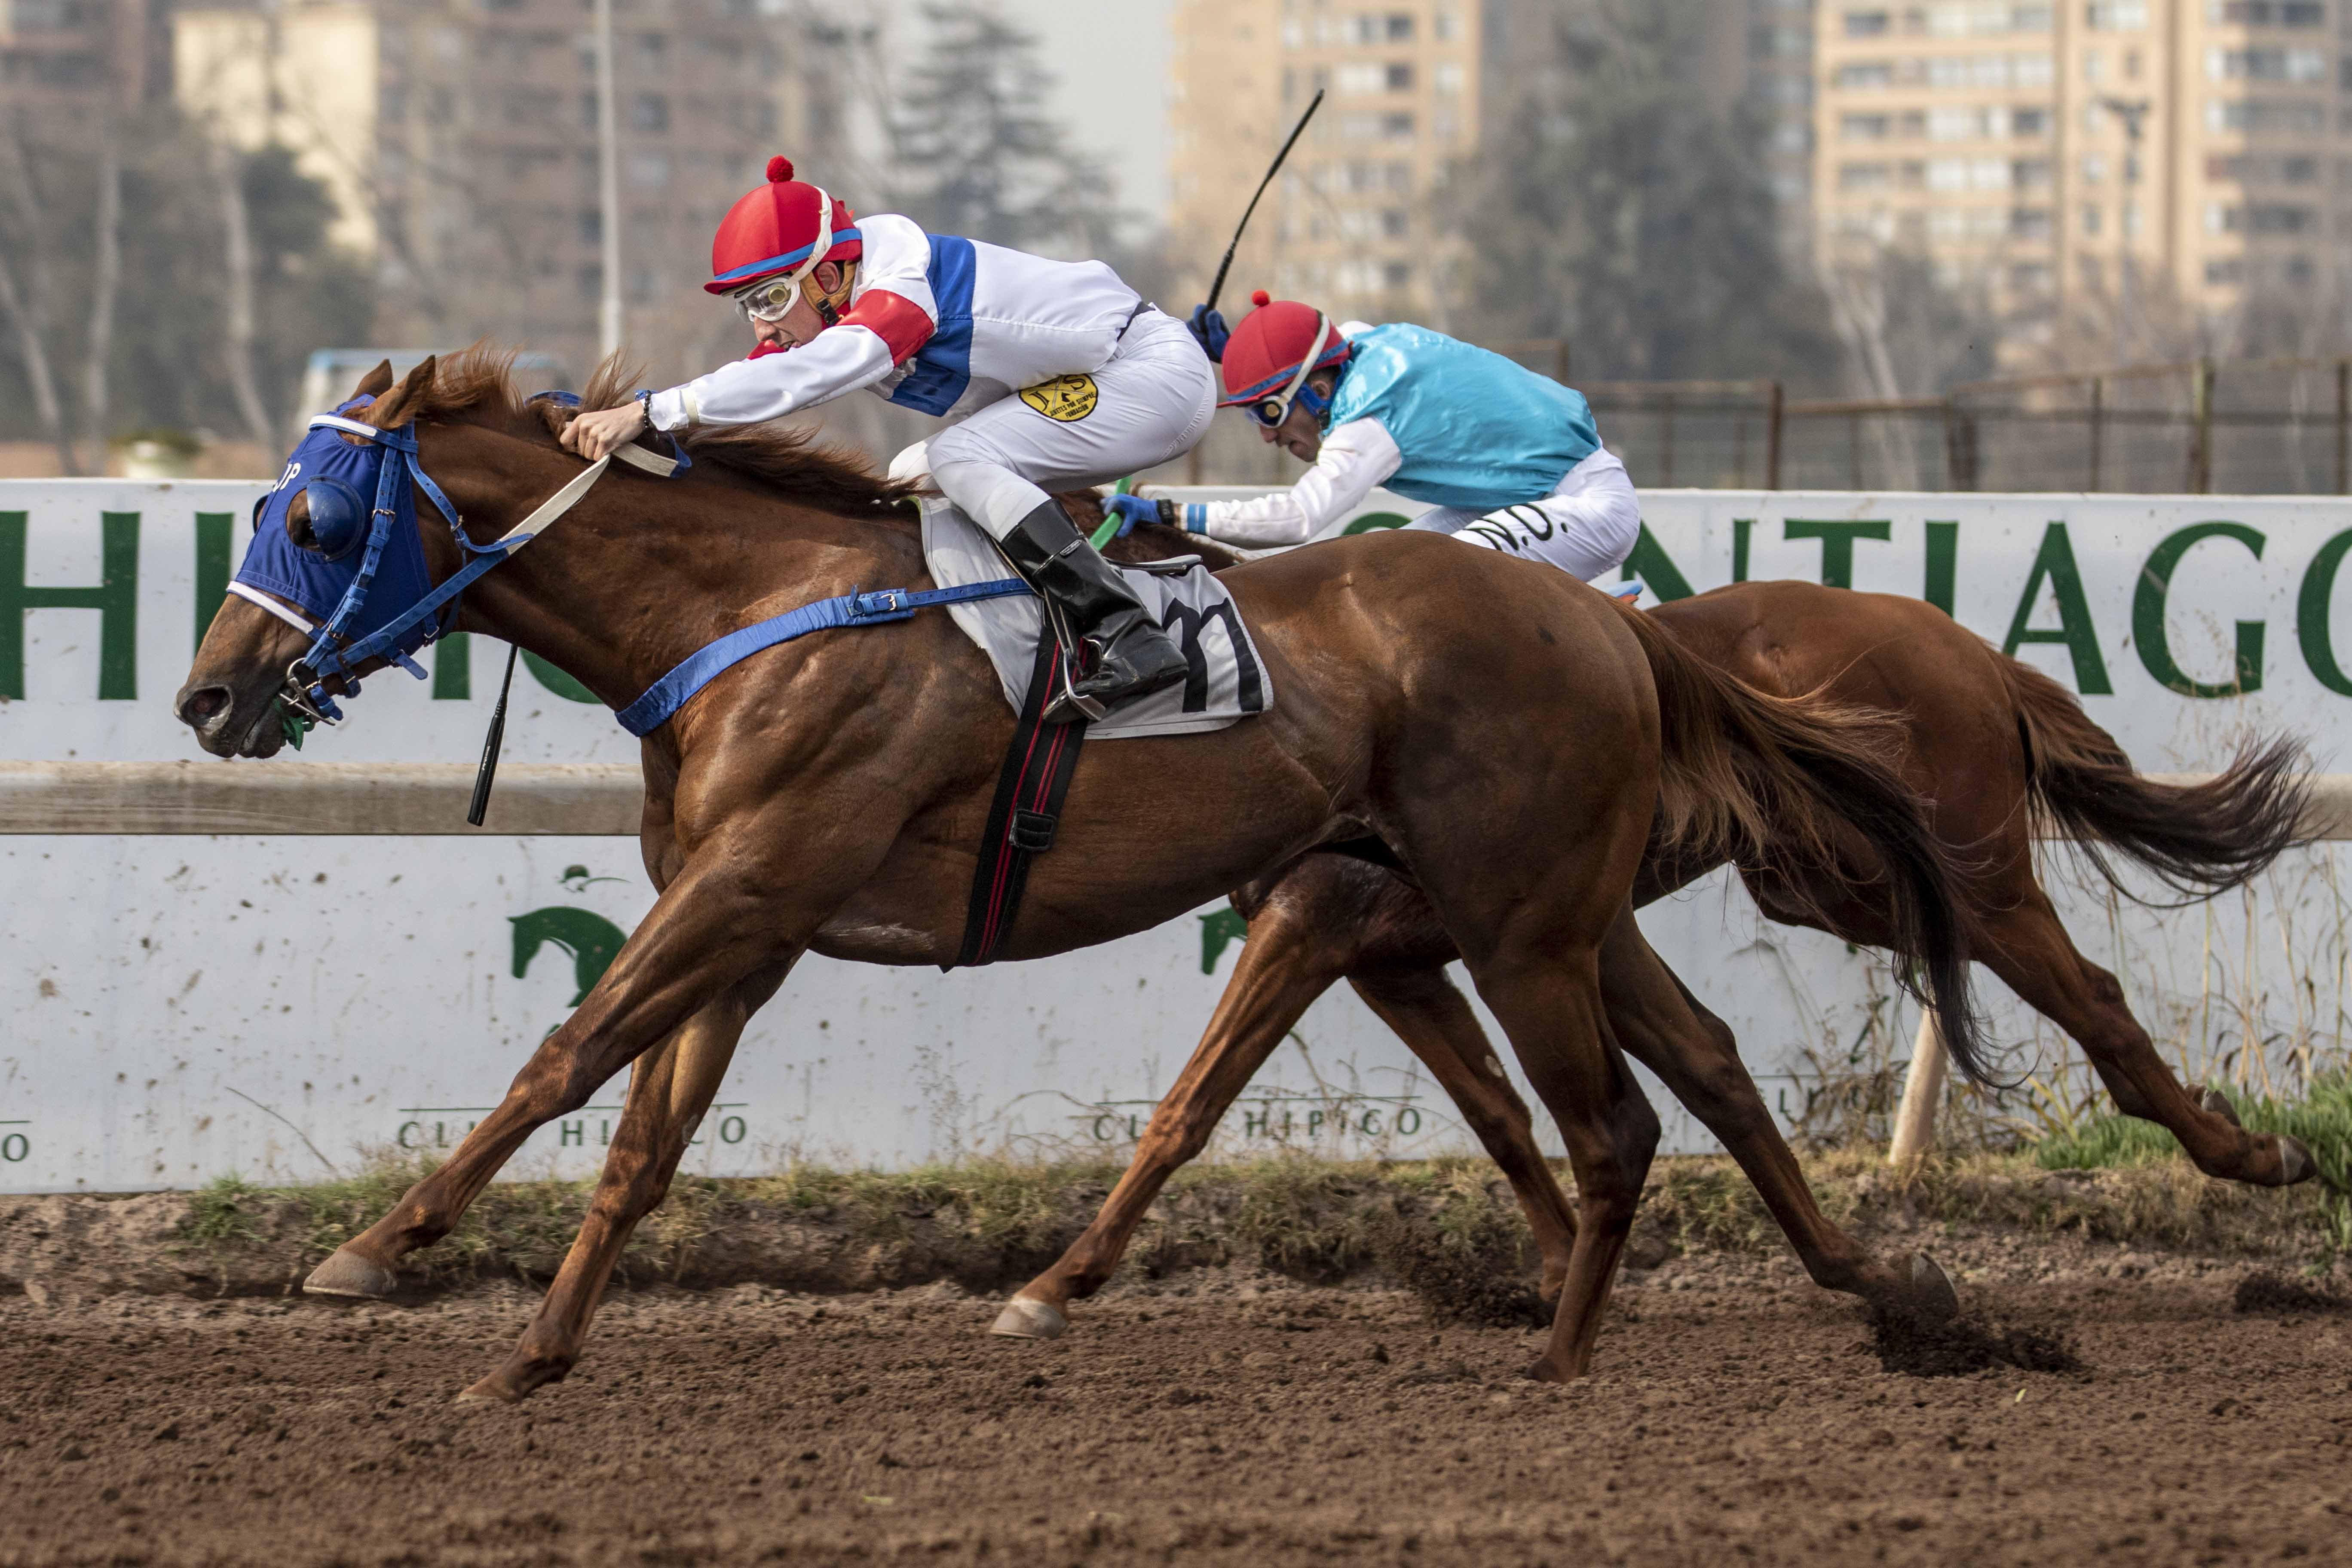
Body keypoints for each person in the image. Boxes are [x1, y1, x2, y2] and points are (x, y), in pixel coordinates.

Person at [564, 157, 1215, 717]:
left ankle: (1125, 630)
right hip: (1109, 373)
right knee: (913, 473)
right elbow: (759, 375)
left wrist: (652, 411)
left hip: (1150, 377)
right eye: (748, 306)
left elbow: (808, 375)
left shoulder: (902, 291)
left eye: (769, 300)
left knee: (960, 454)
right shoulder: (845, 292)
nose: (761, 327)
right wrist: (653, 425)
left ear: (827, 277)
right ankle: (1027, 637)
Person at [1121, 293, 1640, 584]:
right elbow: (1310, 345)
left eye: (1270, 411)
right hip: (1520, 497)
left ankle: (1585, 638)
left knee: (1439, 578)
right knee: (1388, 572)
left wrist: (1170, 514)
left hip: (1589, 505)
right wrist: (1243, 353)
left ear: (1320, 392)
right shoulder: (1357, 345)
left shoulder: (1369, 427)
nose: (1267, 435)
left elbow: (1296, 520)